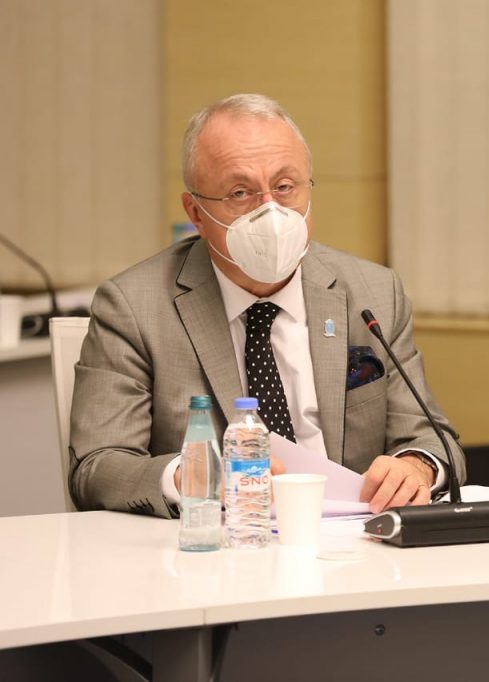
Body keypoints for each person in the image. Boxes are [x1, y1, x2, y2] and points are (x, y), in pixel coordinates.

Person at [69, 93, 465, 518]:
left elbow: (432, 439)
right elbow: (98, 468)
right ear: (196, 213)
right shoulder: (134, 307)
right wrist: (194, 477)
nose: (270, 212)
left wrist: (417, 467)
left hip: (351, 538)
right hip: (220, 542)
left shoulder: (374, 292)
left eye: (285, 187)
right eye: (240, 192)